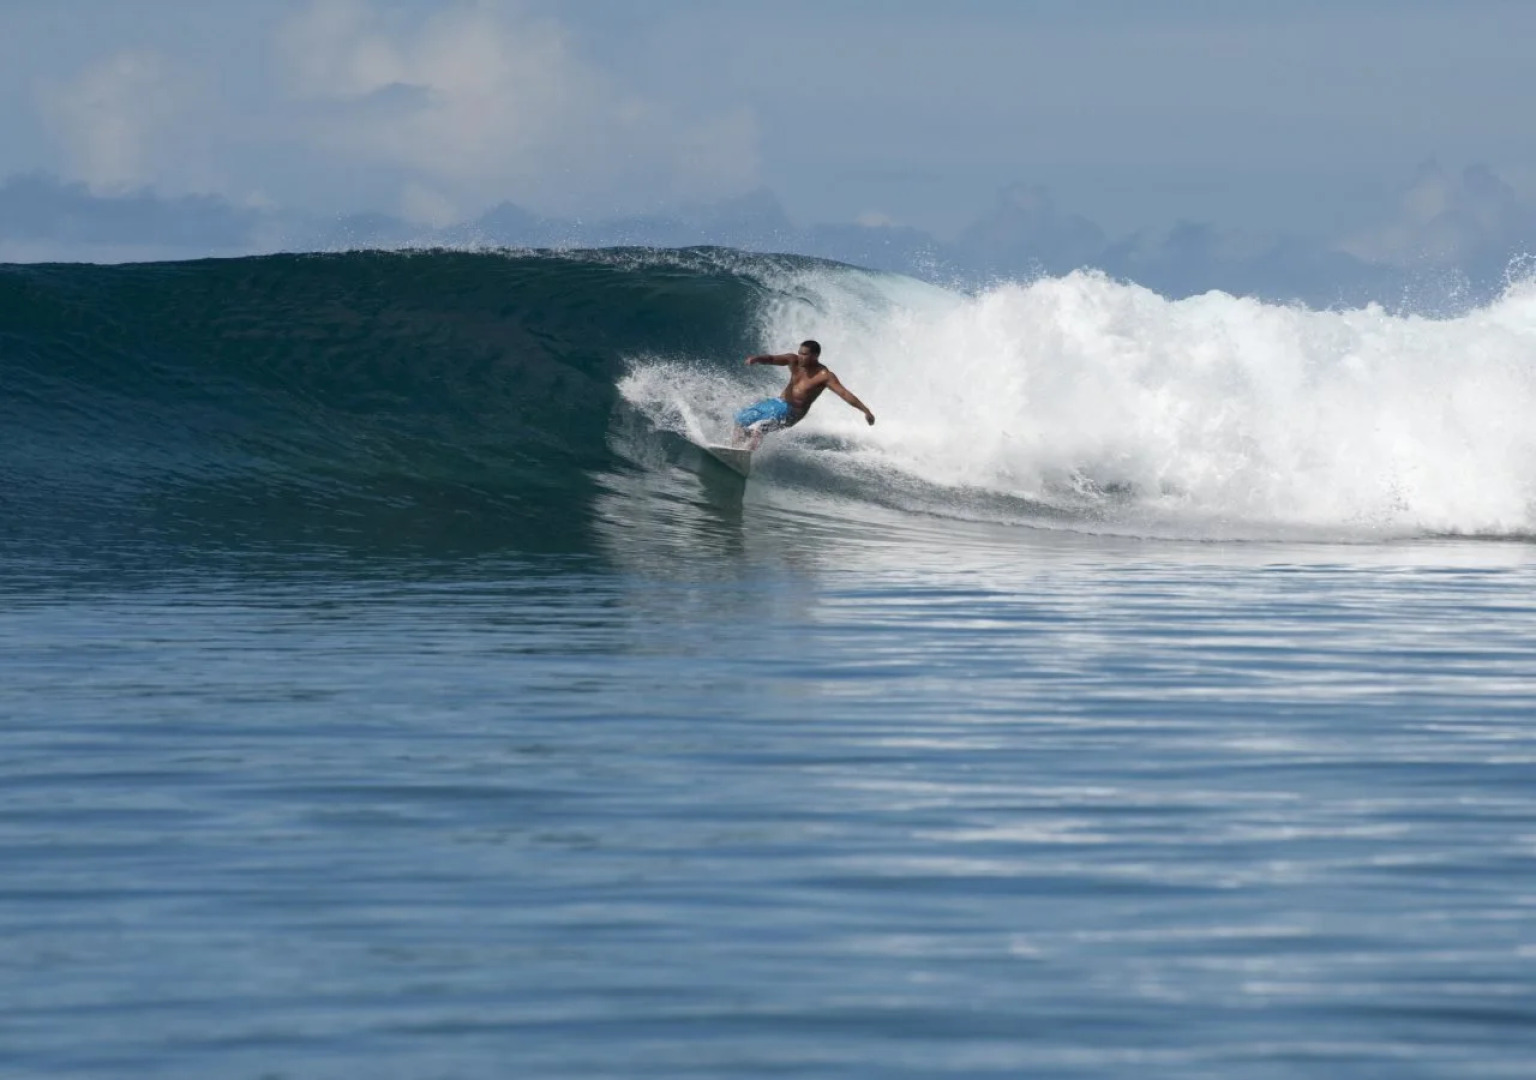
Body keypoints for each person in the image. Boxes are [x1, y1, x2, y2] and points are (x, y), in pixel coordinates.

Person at [732, 340, 875, 449]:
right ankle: (734, 449)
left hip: (792, 413)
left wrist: (865, 410)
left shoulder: (824, 376)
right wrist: (757, 359)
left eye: (805, 354)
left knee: (759, 428)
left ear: (815, 356)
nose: (800, 356)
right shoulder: (793, 360)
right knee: (741, 419)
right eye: (800, 352)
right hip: (777, 403)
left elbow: (844, 393)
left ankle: (746, 453)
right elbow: (771, 359)